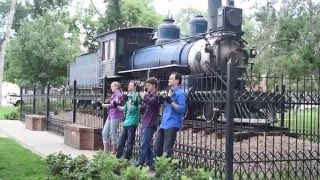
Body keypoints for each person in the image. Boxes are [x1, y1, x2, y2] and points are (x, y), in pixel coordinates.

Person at [154, 72, 187, 158]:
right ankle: (160, 166)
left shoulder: (180, 93)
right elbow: (165, 108)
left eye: (171, 78)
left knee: (166, 150)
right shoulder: (169, 92)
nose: (169, 80)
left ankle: (167, 169)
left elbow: (182, 110)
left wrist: (171, 102)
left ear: (177, 81)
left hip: (172, 123)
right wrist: (161, 102)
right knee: (157, 147)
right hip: (164, 123)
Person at [135, 77, 161, 168]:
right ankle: (151, 163)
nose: (147, 87)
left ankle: (139, 163)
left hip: (151, 123)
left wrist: (144, 97)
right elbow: (145, 110)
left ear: (154, 85)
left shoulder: (156, 96)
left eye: (148, 85)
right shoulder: (149, 96)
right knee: (148, 145)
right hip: (145, 122)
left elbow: (151, 102)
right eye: (146, 85)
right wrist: (138, 106)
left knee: (144, 144)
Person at [116, 80, 142, 159]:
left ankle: (127, 158)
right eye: (129, 85)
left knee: (130, 141)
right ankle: (118, 157)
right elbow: (125, 109)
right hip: (126, 122)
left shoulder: (137, 96)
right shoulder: (128, 96)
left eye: (130, 85)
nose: (128, 86)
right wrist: (116, 106)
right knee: (121, 140)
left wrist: (133, 102)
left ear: (135, 87)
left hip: (133, 121)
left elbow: (138, 108)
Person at [101, 81, 124, 154]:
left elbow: (114, 105)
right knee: (104, 132)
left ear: (117, 87)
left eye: (112, 86)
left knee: (112, 132)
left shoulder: (119, 95)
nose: (111, 88)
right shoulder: (113, 95)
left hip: (116, 115)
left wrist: (104, 105)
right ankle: (105, 152)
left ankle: (114, 151)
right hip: (110, 115)